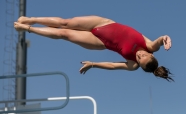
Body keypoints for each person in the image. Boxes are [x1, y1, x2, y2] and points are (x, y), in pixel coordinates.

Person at [14, 15, 174, 81]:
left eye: (139, 58)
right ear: (150, 54)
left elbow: (112, 66)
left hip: (99, 41)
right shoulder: (150, 46)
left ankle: (28, 29)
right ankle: (30, 20)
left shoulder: (133, 65)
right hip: (103, 23)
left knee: (64, 34)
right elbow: (160, 40)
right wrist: (165, 38)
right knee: (65, 23)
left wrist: (93, 64)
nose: (138, 55)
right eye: (143, 55)